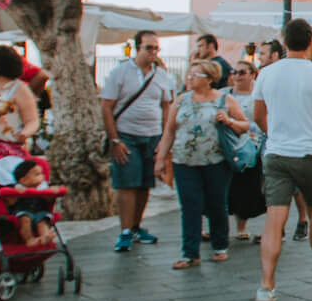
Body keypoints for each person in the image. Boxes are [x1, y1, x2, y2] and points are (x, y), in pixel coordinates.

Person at [252, 18, 312, 301]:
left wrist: (274, 134)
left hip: (277, 154)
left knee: (274, 219)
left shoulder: (266, 74)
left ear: (283, 42)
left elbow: (258, 115)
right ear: (310, 42)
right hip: (310, 152)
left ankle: (266, 285)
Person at [157, 60, 250, 268]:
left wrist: (229, 121)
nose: (189, 78)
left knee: (216, 203)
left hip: (215, 161)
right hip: (183, 161)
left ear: (209, 79)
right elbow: (169, 131)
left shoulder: (224, 100)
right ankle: (190, 253)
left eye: (195, 75)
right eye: (189, 74)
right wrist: (161, 158)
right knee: (190, 205)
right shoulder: (181, 100)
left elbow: (245, 125)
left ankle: (220, 246)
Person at [99, 32, 170, 252]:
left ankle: (136, 226)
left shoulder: (162, 75)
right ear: (137, 48)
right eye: (148, 48)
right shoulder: (120, 72)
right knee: (127, 183)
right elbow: (106, 106)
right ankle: (125, 231)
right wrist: (114, 139)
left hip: (152, 135)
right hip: (126, 135)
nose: (153, 53)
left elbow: (167, 107)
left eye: (156, 48)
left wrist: (165, 140)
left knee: (144, 183)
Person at [224, 57, 266, 243]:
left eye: (242, 72)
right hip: (227, 145)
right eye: (234, 72)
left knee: (246, 187)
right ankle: (216, 225)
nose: (237, 76)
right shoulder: (224, 94)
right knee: (223, 186)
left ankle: (241, 226)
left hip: (250, 147)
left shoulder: (258, 96)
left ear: (253, 75)